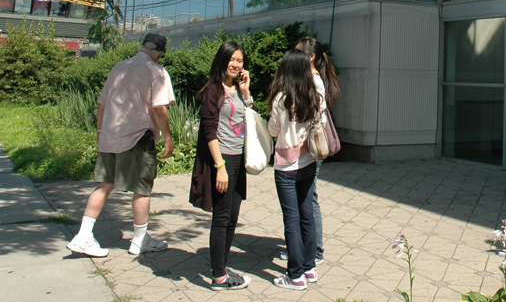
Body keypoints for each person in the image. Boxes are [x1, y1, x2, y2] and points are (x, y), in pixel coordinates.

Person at [67, 33, 174, 258]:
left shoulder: (118, 67)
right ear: (160, 53)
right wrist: (167, 137)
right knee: (142, 190)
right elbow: (159, 108)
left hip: (110, 135)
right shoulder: (157, 72)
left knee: (103, 185)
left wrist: (99, 132)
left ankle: (84, 235)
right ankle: (140, 239)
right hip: (137, 138)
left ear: (142, 47)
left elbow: (101, 103)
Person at [189, 41, 253, 290]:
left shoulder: (238, 89)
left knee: (232, 217)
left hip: (238, 157)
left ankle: (222, 268)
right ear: (222, 61)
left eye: (240, 61)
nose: (236, 64)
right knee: (222, 217)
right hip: (223, 158)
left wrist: (246, 92)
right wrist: (220, 166)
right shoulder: (213, 91)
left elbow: (248, 117)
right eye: (232, 60)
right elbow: (209, 131)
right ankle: (218, 277)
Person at [268, 48, 325, 291]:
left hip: (286, 166)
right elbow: (319, 123)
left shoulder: (282, 98)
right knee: (306, 214)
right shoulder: (314, 95)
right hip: (308, 162)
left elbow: (272, 130)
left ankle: (295, 275)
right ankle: (310, 267)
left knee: (291, 218)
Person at [293, 36, 340, 266]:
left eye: (298, 52)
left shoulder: (314, 81)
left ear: (310, 57)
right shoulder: (309, 79)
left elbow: (311, 114)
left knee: (309, 197)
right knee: (305, 196)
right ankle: (305, 246)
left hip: (311, 146)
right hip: (305, 145)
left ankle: (316, 250)